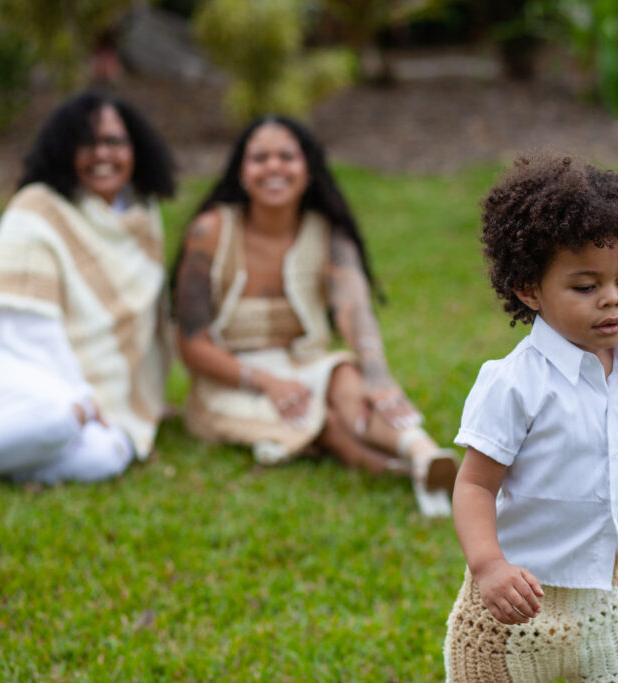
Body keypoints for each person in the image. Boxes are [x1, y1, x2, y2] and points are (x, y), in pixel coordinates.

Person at [444, 154, 618, 681]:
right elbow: (474, 486)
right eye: (586, 287)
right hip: (514, 603)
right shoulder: (515, 382)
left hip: (605, 595)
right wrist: (489, 567)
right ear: (529, 289)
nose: (611, 300)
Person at [170, 115, 457, 516]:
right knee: (324, 423)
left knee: (346, 376)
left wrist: (377, 375)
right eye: (259, 158)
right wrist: (268, 383)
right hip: (231, 380)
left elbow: (354, 310)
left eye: (287, 156)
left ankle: (423, 452)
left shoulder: (327, 234)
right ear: (241, 171)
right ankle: (405, 474)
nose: (273, 167)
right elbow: (192, 345)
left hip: (304, 365)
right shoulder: (211, 231)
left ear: (308, 169)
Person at [0, 90, 176, 486]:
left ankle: (1, 458)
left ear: (135, 148)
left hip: (69, 386)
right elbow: (25, 329)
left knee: (108, 454)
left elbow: (144, 321)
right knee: (60, 415)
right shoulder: (37, 207)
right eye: (87, 144)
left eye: (114, 141)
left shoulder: (144, 216)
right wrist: (82, 397)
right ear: (63, 151)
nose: (102, 155)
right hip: (2, 364)